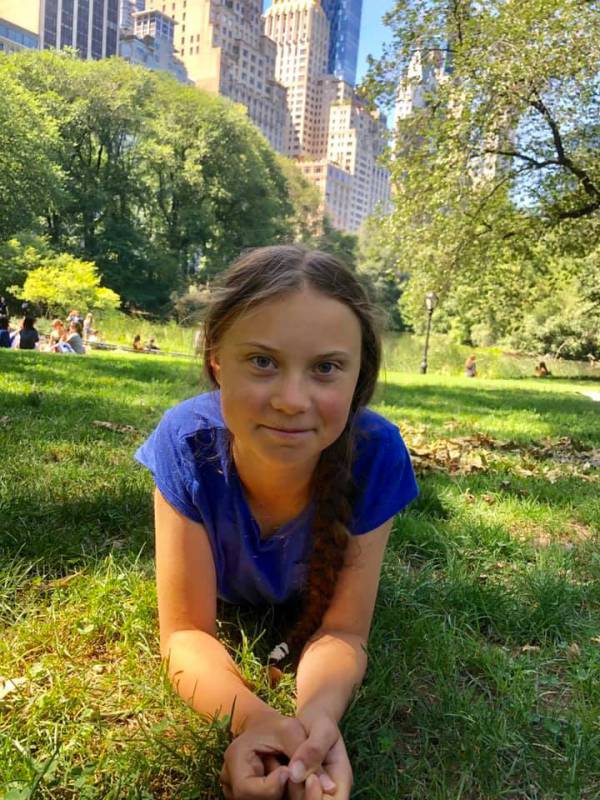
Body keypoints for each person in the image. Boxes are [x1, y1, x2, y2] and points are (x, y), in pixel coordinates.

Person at [135, 246, 419, 800]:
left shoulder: (377, 453)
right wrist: (258, 722)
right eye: (263, 361)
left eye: (326, 368)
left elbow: (343, 631)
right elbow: (186, 632)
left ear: (359, 377)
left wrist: (316, 722)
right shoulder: (184, 443)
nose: (292, 400)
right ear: (217, 359)